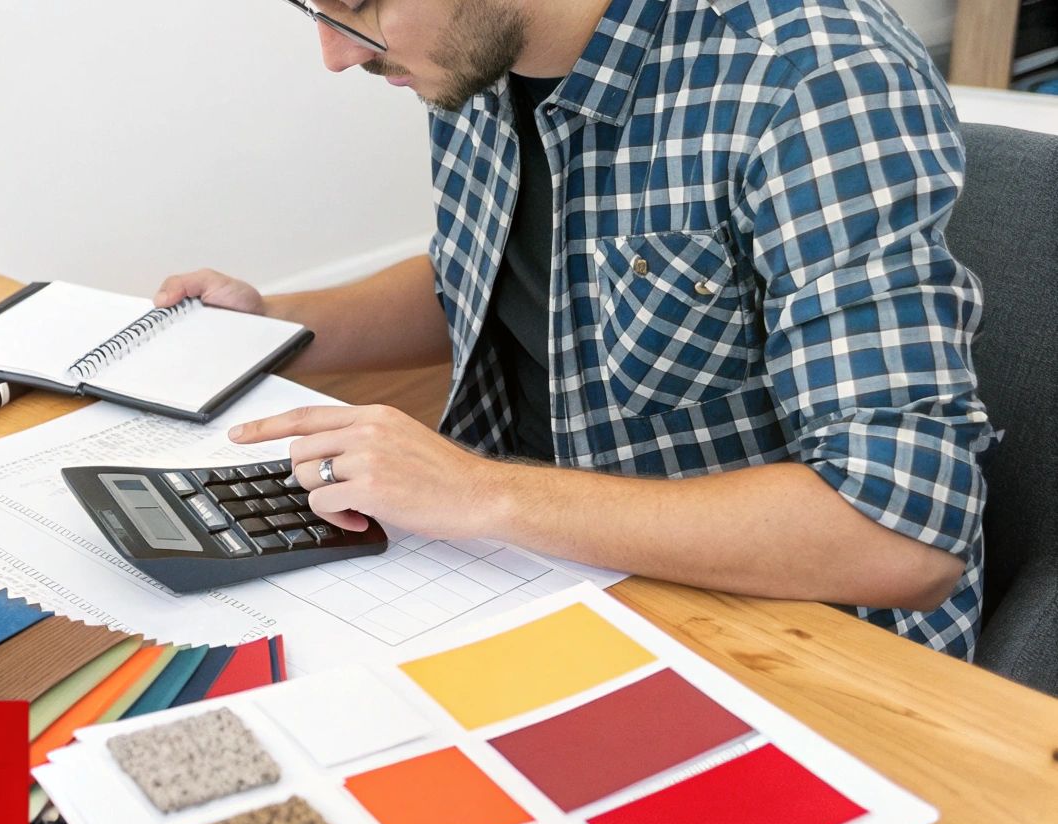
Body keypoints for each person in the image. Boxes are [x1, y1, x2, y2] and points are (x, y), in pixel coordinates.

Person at [157, 0, 996, 659]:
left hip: (785, 641)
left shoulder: (811, 80)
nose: (339, 53)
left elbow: (900, 534)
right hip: (532, 568)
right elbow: (485, 279)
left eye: (360, 3)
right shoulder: (474, 50)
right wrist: (271, 325)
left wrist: (483, 493)